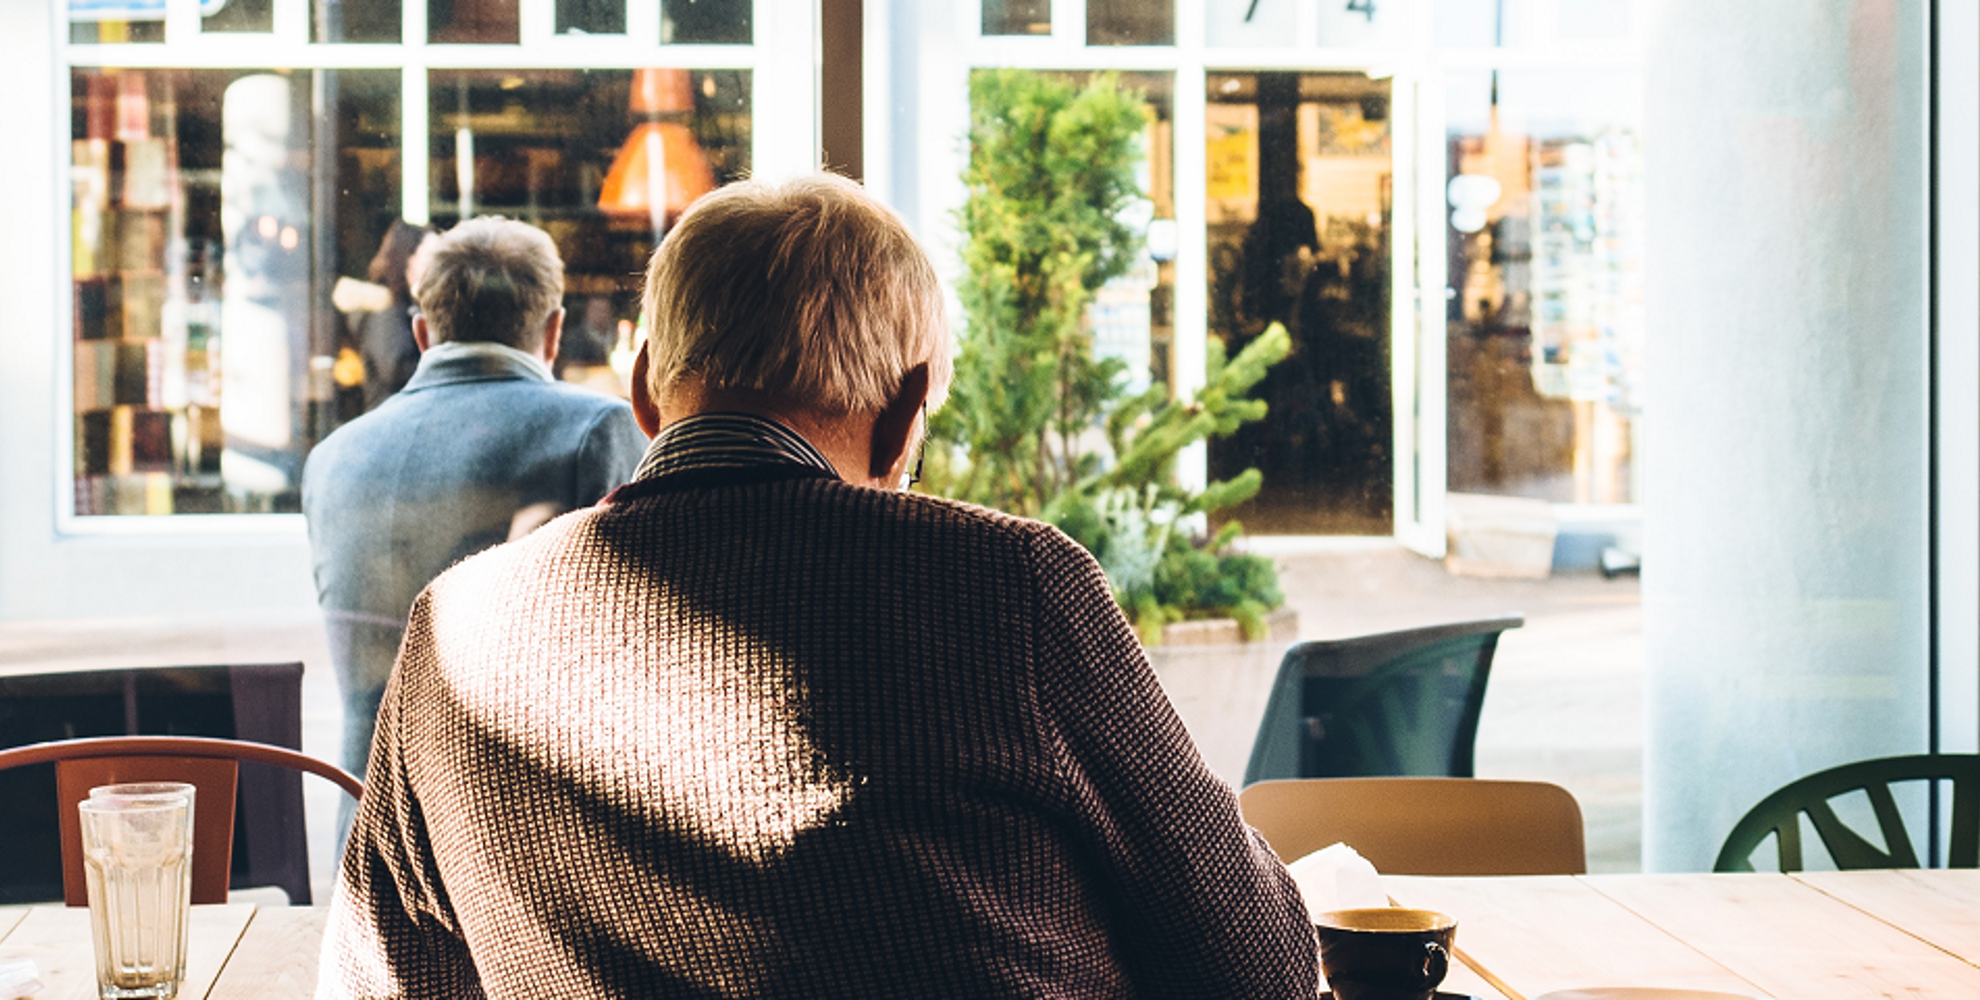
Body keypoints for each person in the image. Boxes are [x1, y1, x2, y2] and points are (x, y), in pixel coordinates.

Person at [318, 175, 1320, 999]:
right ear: (904, 416)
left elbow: (384, 982)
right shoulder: (1011, 590)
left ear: (643, 389)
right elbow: (1256, 970)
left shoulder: (452, 630)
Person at [302, 216, 647, 789]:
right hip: (520, 837)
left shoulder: (332, 458)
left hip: (366, 838)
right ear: (555, 332)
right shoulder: (594, 431)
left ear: (422, 334)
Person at [356, 219, 438, 411]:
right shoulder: (387, 309)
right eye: (430, 257)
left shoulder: (407, 306)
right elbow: (395, 369)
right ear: (408, 260)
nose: (437, 265)